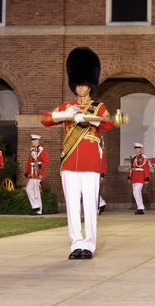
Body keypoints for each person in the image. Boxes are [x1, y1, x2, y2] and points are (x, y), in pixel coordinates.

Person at [40, 46, 114, 260]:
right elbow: (44, 119)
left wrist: (87, 118)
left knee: (90, 205)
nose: (81, 87)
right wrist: (65, 114)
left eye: (84, 83)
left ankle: (89, 244)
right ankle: (76, 244)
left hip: (91, 162)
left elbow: (108, 124)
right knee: (72, 205)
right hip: (70, 162)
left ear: (90, 84)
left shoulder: (98, 107)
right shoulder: (67, 106)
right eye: (78, 83)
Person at [25, 133, 50, 215]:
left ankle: (36, 207)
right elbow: (29, 162)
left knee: (29, 189)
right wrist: (27, 172)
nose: (32, 141)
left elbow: (47, 161)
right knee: (36, 191)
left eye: (33, 140)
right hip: (32, 172)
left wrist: (40, 166)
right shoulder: (32, 150)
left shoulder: (41, 150)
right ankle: (39, 210)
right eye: (32, 140)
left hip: (38, 172)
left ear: (37, 141)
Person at [128, 142, 150, 214]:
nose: (136, 150)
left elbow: (146, 168)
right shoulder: (133, 157)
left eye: (138, 148)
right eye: (136, 148)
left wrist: (147, 177)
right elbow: (130, 168)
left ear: (141, 149)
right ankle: (140, 208)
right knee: (137, 192)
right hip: (134, 176)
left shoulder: (144, 158)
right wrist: (129, 176)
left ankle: (140, 207)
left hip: (140, 176)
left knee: (136, 191)